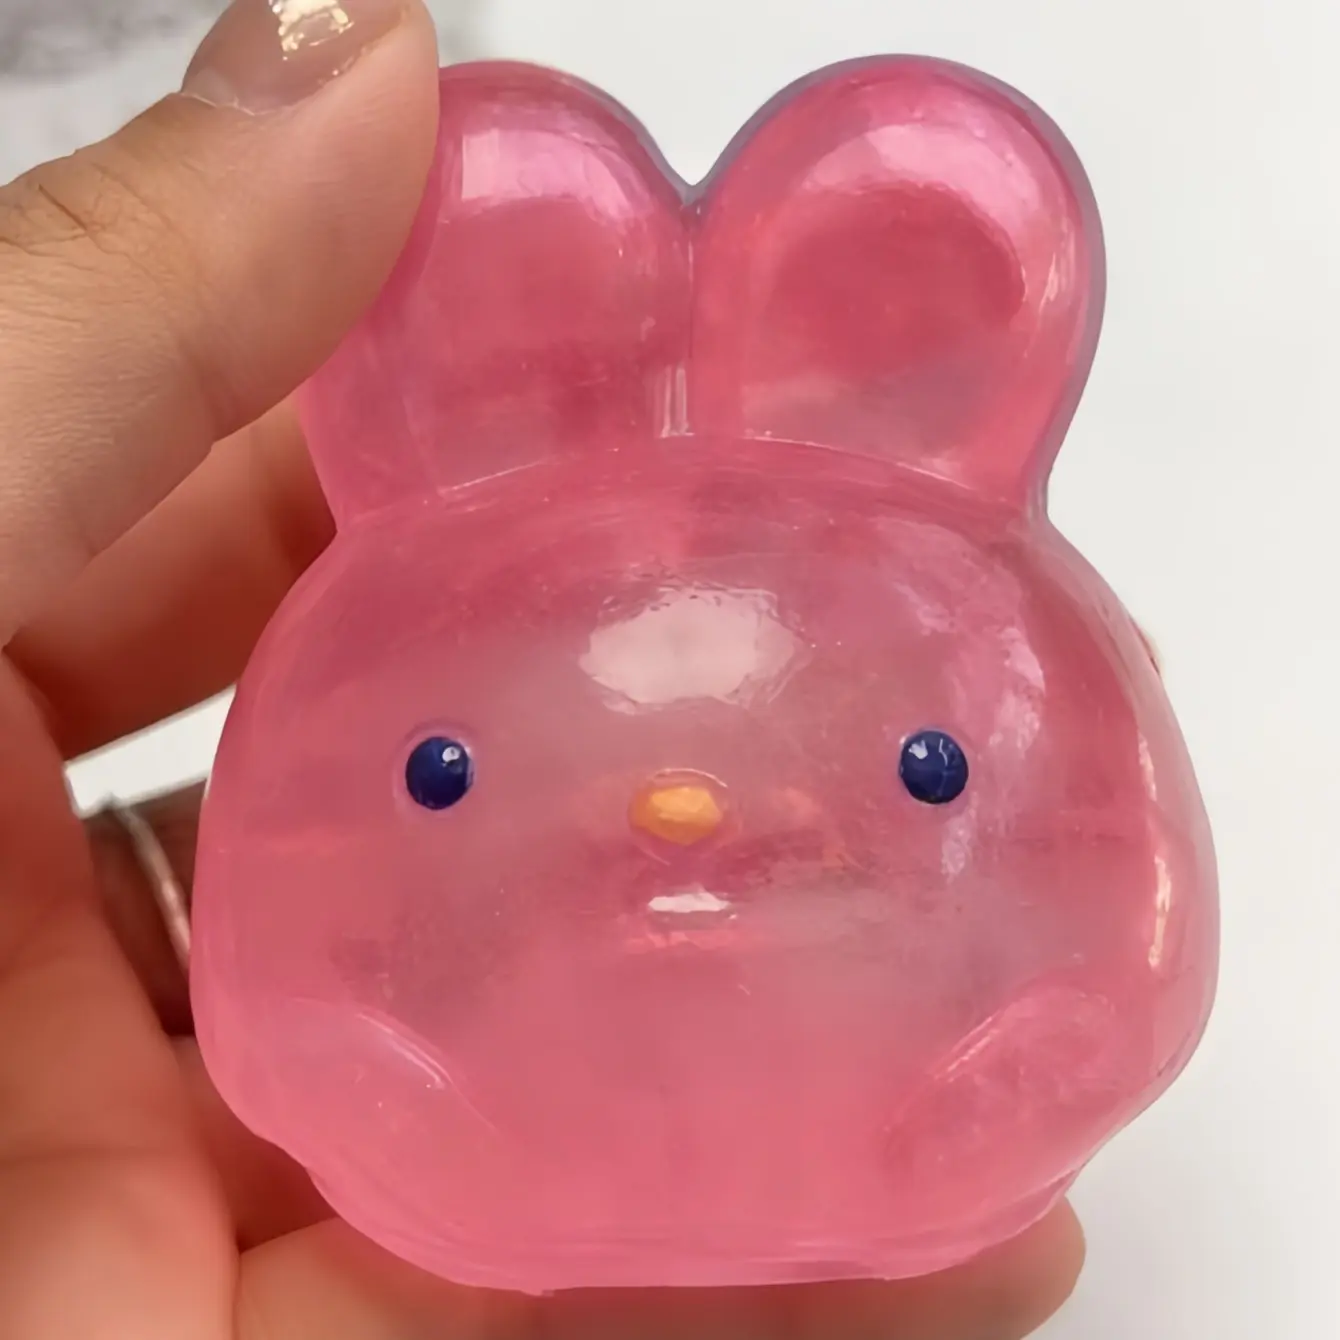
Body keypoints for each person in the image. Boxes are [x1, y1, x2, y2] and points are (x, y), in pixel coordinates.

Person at [0, 1, 1086, 1334]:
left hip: (913, 1163)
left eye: (932, 767)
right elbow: (284, 1020)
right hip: (442, 1181)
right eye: (442, 772)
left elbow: (1114, 954)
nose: (680, 806)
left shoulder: (986, 594)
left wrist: (1021, 1067)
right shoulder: (393, 583)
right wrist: (366, 1087)